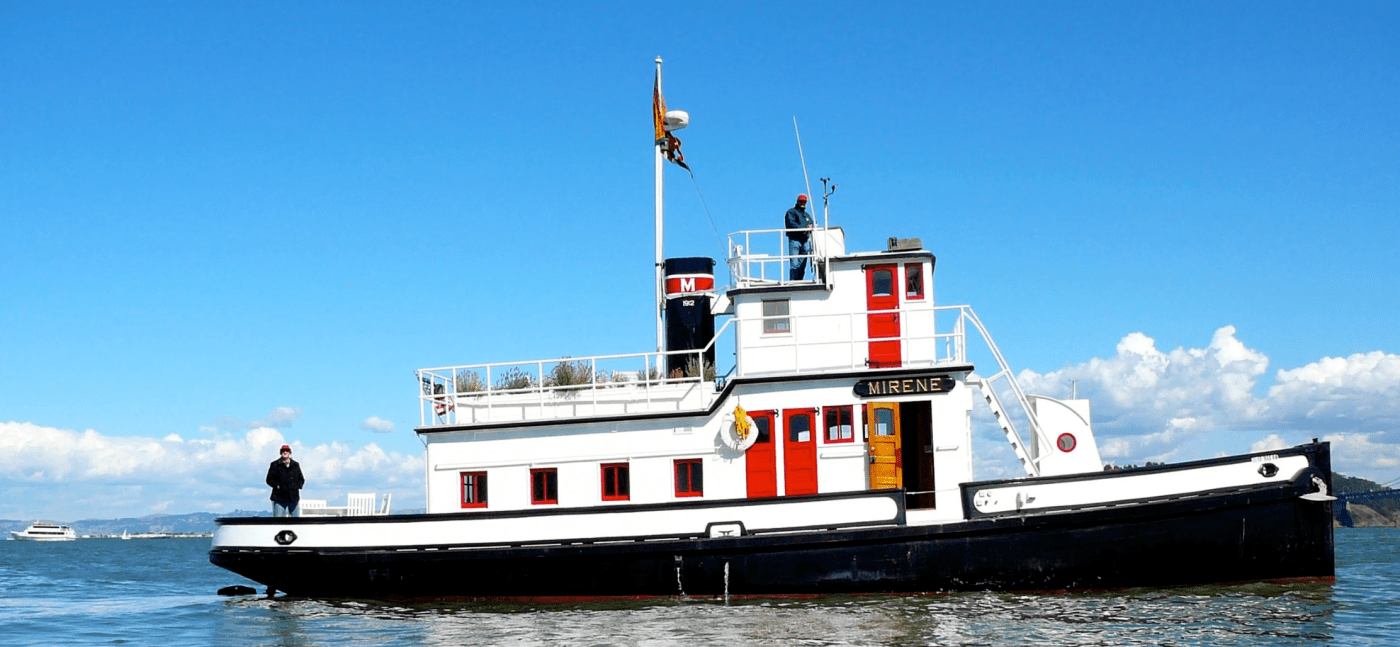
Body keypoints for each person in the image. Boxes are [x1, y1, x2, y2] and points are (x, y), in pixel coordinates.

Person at [266, 444, 305, 517]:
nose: (285, 452)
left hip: (293, 497)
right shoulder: (275, 465)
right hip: (279, 497)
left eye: (287, 451)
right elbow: (269, 479)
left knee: (296, 522)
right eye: (283, 451)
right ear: (281, 452)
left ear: (290, 452)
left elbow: (301, 479)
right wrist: (278, 486)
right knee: (278, 521)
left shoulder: (295, 465)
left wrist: (298, 486)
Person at [784, 194, 816, 281]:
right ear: (797, 201)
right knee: (794, 263)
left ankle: (799, 281)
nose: (802, 203)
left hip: (805, 241)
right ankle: (793, 281)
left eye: (804, 202)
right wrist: (804, 228)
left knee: (802, 263)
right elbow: (791, 224)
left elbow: (812, 224)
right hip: (794, 240)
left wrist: (810, 227)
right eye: (801, 201)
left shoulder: (807, 215)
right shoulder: (791, 212)